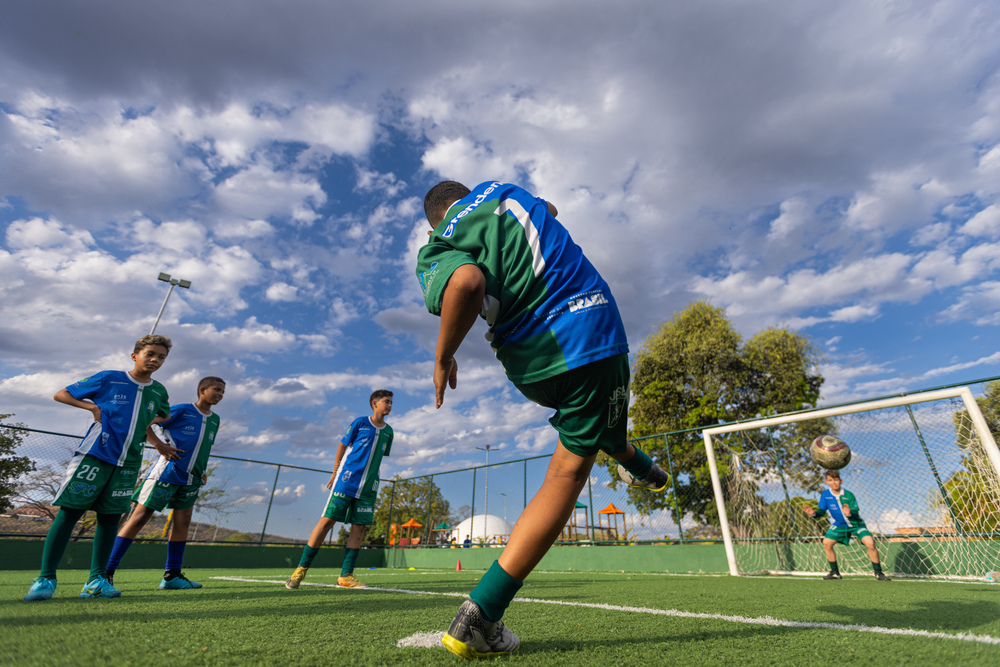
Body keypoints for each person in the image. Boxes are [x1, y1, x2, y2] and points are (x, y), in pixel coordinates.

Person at [416, 180, 669, 658]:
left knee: (596, 426)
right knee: (570, 467)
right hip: (590, 330)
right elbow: (548, 209)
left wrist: (443, 355)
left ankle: (638, 463)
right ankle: (481, 614)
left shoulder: (436, 244)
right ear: (467, 194)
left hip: (530, 357)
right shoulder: (503, 190)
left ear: (433, 219)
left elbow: (465, 281)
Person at [24, 335, 173, 601]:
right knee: (70, 513)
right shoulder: (109, 378)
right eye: (150, 354)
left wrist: (148, 421)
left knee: (110, 518)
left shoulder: (159, 390)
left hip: (129, 462)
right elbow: (61, 394)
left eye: (161, 357)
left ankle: (96, 581)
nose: (155, 360)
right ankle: (45, 580)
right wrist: (92, 407)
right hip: (95, 454)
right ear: (135, 355)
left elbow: (165, 414)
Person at [104, 376, 226, 590]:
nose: (220, 394)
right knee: (140, 518)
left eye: (223, 392)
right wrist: (159, 445)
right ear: (202, 390)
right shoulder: (181, 410)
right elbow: (145, 424)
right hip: (166, 474)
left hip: (191, 479)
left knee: (183, 522)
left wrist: (203, 471)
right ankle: (105, 572)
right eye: (216, 389)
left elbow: (202, 448)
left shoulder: (215, 420)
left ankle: (172, 575)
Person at [285, 390, 394, 590]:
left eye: (391, 402)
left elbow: (377, 457)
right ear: (374, 404)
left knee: (359, 527)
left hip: (368, 486)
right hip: (346, 480)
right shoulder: (360, 423)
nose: (389, 405)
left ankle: (345, 576)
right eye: (386, 402)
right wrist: (335, 472)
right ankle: (301, 569)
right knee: (327, 522)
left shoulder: (389, 432)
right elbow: (342, 445)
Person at [802, 469, 890, 581]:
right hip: (839, 525)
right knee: (827, 543)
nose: (834, 483)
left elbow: (855, 511)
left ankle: (879, 573)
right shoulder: (825, 495)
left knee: (870, 543)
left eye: (836, 480)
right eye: (830, 480)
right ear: (826, 482)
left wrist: (849, 513)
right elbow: (821, 511)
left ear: (841, 481)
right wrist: (814, 513)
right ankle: (835, 573)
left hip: (856, 524)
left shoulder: (849, 495)